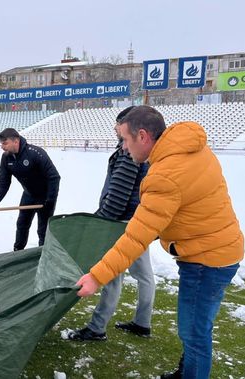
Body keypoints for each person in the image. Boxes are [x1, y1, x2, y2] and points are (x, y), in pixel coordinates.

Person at [76, 106, 244, 379]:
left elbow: (136, 236)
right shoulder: (192, 149)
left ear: (142, 136)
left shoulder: (164, 174)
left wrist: (97, 276)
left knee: (194, 332)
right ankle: (186, 371)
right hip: (221, 247)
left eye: (126, 140)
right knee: (198, 326)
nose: (125, 148)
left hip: (207, 260)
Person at [68, 106, 155, 342]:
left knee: (110, 276)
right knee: (144, 275)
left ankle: (97, 328)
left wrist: (99, 221)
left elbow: (117, 198)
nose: (116, 131)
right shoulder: (135, 151)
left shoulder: (128, 153)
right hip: (137, 222)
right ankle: (142, 323)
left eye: (118, 127)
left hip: (119, 224)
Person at [0, 128, 60, 251]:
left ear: (16, 141)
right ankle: (17, 253)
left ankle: (43, 255)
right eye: (1, 143)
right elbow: (4, 183)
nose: (2, 147)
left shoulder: (35, 153)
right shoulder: (6, 158)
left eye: (5, 143)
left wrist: (50, 200)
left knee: (43, 230)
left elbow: (54, 177)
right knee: (22, 225)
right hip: (29, 195)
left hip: (45, 197)